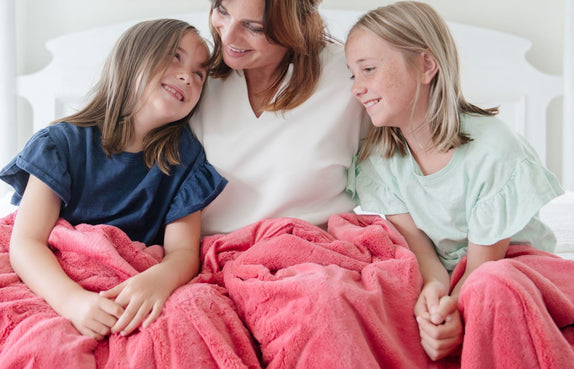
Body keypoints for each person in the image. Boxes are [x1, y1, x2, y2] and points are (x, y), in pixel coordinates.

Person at [345, 1, 563, 360]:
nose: (357, 88)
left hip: (509, 262)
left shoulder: (492, 150)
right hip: (448, 267)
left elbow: (484, 266)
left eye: (368, 69)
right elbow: (421, 249)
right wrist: (434, 295)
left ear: (426, 65)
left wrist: (453, 308)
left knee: (492, 291)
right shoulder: (379, 159)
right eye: (353, 75)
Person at [0, 18, 226, 340]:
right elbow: (26, 243)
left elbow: (183, 253)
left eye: (200, 74)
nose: (187, 77)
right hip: (58, 282)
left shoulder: (185, 161)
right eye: (175, 56)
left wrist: (158, 281)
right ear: (132, 58)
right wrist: (72, 302)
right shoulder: (61, 144)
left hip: (131, 287)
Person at [191, 0, 365, 235]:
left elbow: (398, 176)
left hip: (317, 252)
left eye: (254, 27)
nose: (229, 36)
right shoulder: (192, 79)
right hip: (212, 254)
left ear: (299, 25)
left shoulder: (350, 75)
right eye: (222, 11)